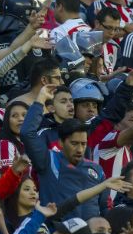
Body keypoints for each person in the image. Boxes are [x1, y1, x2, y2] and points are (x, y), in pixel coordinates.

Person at [20, 85, 106, 219]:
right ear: (60, 143)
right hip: (58, 232)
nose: (80, 149)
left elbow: (105, 207)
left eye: (83, 144)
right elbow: (27, 133)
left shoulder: (97, 170)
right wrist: (41, 99)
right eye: (74, 143)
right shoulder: (48, 161)